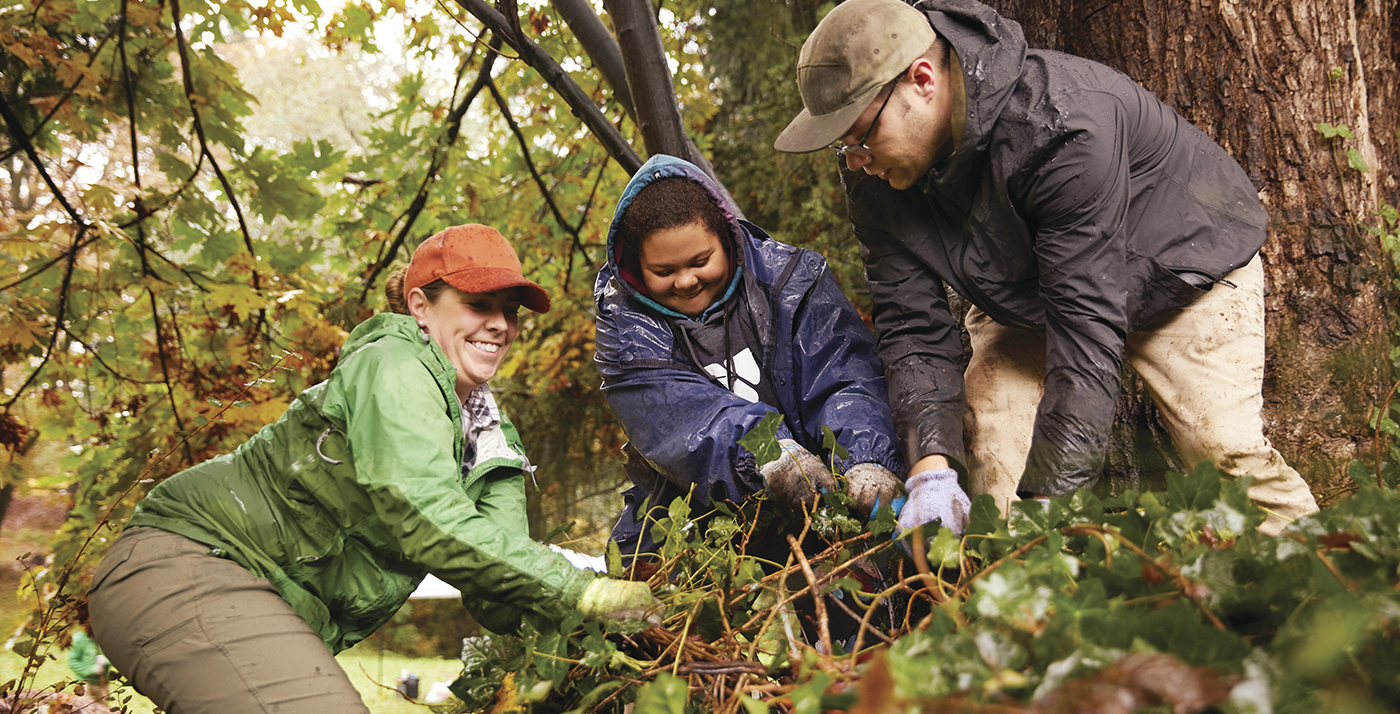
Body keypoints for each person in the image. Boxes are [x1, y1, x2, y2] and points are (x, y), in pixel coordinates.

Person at [773, 0, 1319, 536]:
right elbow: (911, 324)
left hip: (1180, 268)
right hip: (1030, 286)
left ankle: (1331, 583)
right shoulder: (873, 169)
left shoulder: (1063, 123)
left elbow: (1085, 340)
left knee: (1222, 448)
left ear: (922, 81)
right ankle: (1019, 605)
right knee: (992, 435)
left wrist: (1048, 505)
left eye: (862, 136)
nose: (856, 160)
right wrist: (929, 470)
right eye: (843, 145)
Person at [86, 225, 660, 714]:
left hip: (262, 598)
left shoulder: (490, 439)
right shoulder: (393, 364)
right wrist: (585, 592)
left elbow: (499, 593)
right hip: (191, 563)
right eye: (478, 305)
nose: (500, 326)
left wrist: (609, 637)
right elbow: (424, 516)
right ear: (419, 307)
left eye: (509, 313)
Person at [594, 154, 967, 568]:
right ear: (635, 266)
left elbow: (846, 375)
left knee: (897, 567)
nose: (686, 280)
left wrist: (867, 457)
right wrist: (766, 451)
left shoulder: (792, 278)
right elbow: (684, 418)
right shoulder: (624, 330)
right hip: (693, 522)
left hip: (827, 500)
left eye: (700, 262)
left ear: (726, 237)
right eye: (664, 270)